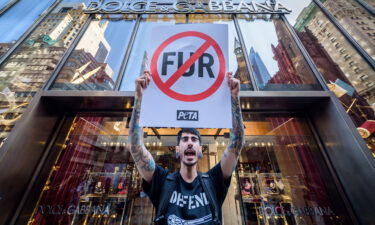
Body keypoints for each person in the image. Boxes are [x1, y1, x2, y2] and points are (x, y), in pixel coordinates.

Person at [128, 70, 244, 224]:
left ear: (200, 150)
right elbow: (135, 145)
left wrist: (234, 98)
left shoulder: (213, 180)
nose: (190, 142)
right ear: (177, 149)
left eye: (194, 139)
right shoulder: (162, 181)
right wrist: (139, 97)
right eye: (185, 139)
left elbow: (237, 141)